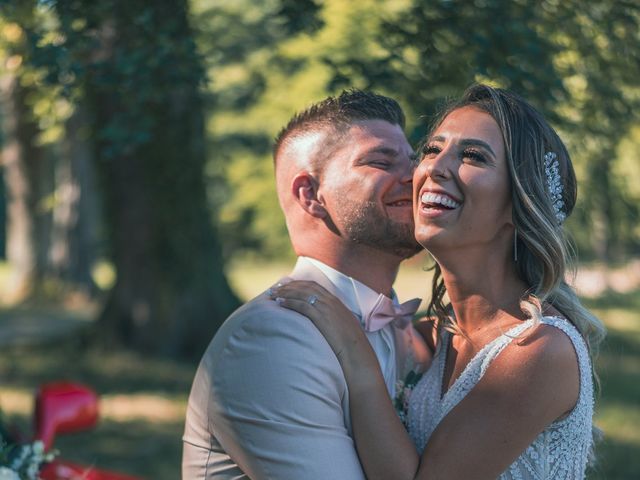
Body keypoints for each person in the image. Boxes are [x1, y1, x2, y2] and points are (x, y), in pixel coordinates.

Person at [272, 84, 606, 479]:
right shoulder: (429, 339)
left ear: (520, 203)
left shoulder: (539, 350)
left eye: (473, 156)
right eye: (432, 150)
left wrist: (352, 346)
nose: (432, 168)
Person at [182, 89, 432, 479]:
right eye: (381, 161)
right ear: (311, 194)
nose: (417, 176)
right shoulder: (272, 338)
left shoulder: (401, 328)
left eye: (414, 160)